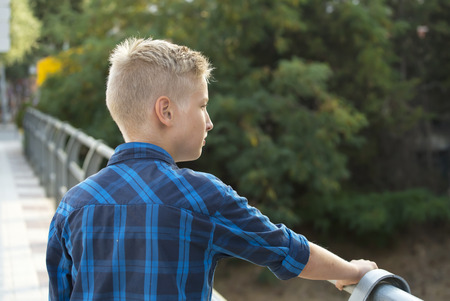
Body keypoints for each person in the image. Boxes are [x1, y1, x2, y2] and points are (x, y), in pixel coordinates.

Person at [46, 37, 377, 300]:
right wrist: (350, 271)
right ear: (166, 111)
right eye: (203, 105)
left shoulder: (73, 204)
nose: (209, 122)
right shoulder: (202, 196)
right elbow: (286, 250)